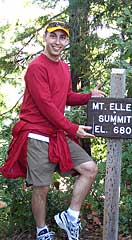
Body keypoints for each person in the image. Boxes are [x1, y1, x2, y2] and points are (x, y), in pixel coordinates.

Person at [0, 20, 105, 240]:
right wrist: (73, 129)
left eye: (62, 37)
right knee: (42, 188)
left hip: (56, 134)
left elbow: (65, 97)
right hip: (36, 135)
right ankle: (41, 231)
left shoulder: (64, 67)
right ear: (45, 38)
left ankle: (71, 216)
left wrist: (89, 97)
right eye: (53, 36)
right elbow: (46, 107)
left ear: (67, 41)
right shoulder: (36, 67)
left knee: (89, 169)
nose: (57, 42)